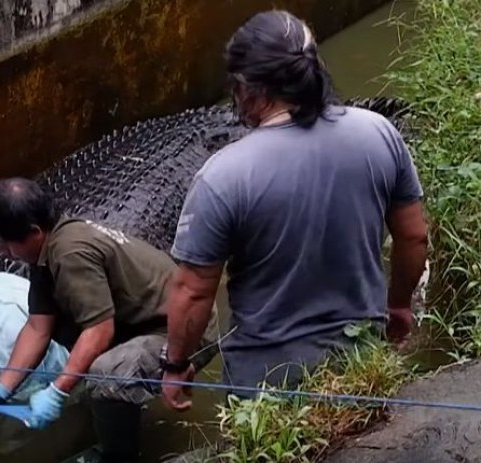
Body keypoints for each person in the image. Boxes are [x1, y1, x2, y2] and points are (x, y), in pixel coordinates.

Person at [159, 10, 428, 411]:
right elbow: (414, 236)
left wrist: (176, 363)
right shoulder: (378, 132)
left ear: (248, 88)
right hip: (363, 360)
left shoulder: (223, 175)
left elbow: (194, 292)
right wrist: (399, 305)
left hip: (266, 388)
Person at [0, 177, 216, 462]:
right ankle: (114, 406)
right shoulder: (46, 250)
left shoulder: (69, 252)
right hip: (143, 322)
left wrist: (57, 392)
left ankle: (118, 455)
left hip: (184, 332)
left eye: (4, 243)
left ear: (34, 232)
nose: (3, 252)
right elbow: (38, 326)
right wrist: (4, 387)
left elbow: (99, 331)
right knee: (70, 335)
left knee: (105, 374)